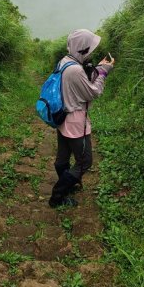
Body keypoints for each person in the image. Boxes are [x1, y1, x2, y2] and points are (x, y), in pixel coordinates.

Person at [49, 28, 115, 208]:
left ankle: (67, 183)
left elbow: (79, 84)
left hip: (63, 118)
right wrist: (104, 73)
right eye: (90, 48)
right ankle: (58, 195)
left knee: (63, 157)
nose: (91, 52)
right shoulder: (76, 70)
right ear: (83, 49)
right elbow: (93, 92)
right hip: (76, 121)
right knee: (85, 161)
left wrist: (98, 68)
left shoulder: (66, 61)